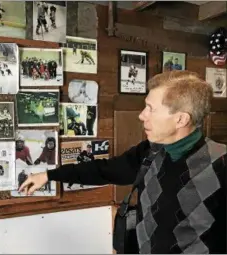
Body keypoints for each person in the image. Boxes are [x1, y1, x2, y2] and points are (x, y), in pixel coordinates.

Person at [19, 70, 226, 254]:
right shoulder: (151, 151)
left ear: (181, 119)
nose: (141, 115)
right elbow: (104, 170)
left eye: (150, 108)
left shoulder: (222, 164)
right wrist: (49, 175)